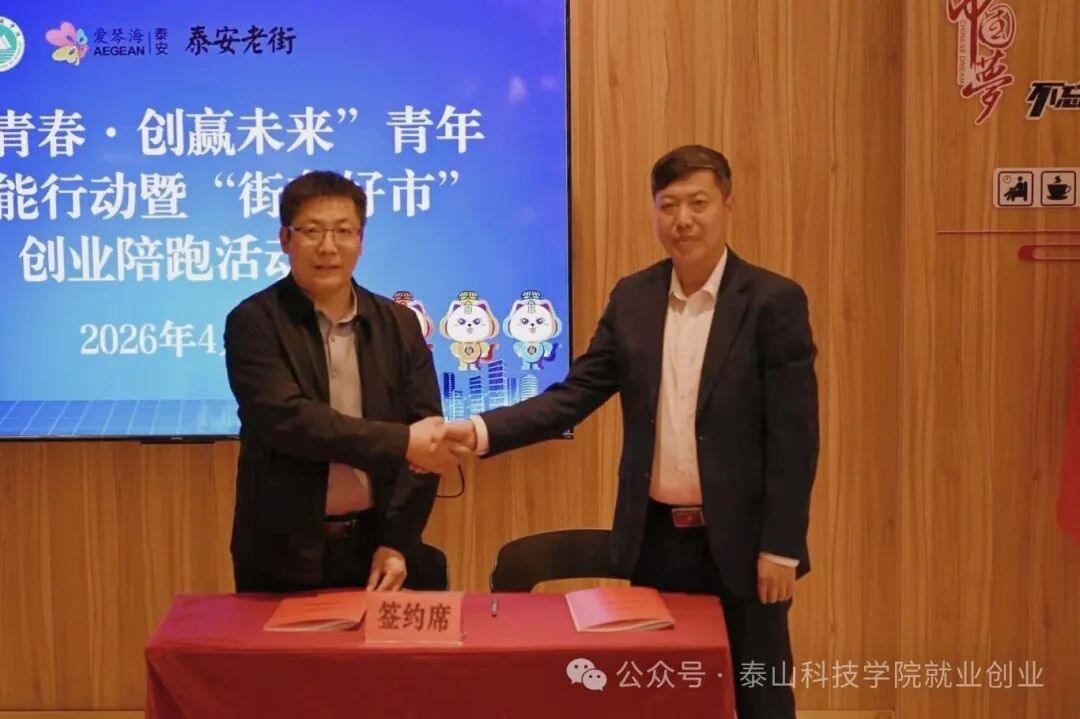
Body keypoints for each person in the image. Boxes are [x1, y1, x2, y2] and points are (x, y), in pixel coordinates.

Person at [447, 145, 819, 718]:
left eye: (698, 203)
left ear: (728, 206)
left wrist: (782, 548)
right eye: (668, 205)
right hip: (658, 543)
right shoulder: (634, 298)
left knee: (759, 692)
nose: (682, 220)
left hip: (747, 547)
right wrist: (477, 430)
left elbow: (795, 438)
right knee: (666, 692)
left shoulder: (773, 302)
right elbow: (573, 397)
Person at [224, 170, 461, 594]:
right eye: (312, 231)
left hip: (378, 548)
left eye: (343, 231)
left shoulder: (399, 324)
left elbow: (427, 437)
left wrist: (398, 541)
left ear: (361, 240)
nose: (328, 247)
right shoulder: (254, 322)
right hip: (281, 554)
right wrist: (403, 441)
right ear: (285, 239)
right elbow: (290, 422)